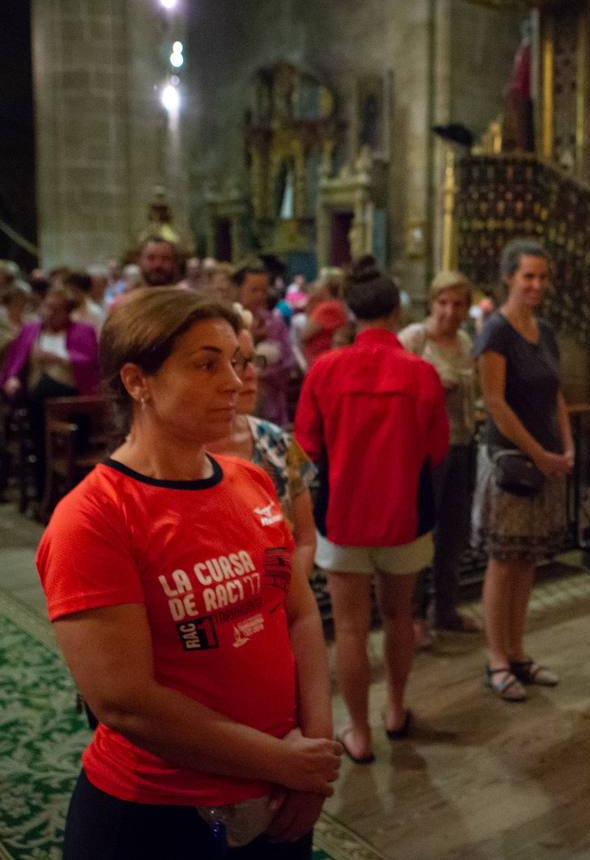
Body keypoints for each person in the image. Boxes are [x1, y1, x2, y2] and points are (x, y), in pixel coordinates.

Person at [35, 288, 339, 859]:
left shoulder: (248, 481)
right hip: (157, 814)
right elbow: (126, 703)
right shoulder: (94, 517)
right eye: (206, 364)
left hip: (279, 792)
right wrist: (282, 761)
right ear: (137, 382)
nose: (233, 381)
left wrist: (313, 754)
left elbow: (297, 615)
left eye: (235, 361)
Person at [295, 258, 449, 763]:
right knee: (400, 615)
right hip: (405, 514)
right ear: (397, 309)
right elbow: (437, 449)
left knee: (352, 629)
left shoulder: (325, 370)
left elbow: (308, 444)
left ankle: (358, 733)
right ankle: (397, 710)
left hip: (342, 515)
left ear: (352, 314)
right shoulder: (421, 373)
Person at [473, 240, 573, 701]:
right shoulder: (496, 332)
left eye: (542, 277)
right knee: (504, 560)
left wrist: (567, 447)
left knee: (527, 558)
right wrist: (538, 453)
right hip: (512, 460)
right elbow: (496, 403)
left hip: (546, 456)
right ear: (509, 277)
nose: (536, 285)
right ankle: (496, 657)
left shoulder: (544, 330)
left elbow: (555, 394)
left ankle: (517, 650)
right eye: (527, 276)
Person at [400, 270, 482, 641]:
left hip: (462, 441)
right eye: (443, 303)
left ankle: (445, 607)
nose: (450, 311)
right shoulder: (415, 340)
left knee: (454, 530)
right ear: (431, 303)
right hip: (425, 449)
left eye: (458, 304)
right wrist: (429, 387)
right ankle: (413, 614)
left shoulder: (465, 341)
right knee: (422, 531)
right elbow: (393, 390)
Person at [207, 307, 317, 581]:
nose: (250, 374)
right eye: (235, 364)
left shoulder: (277, 442)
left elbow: (304, 539)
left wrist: (287, 599)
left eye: (251, 360)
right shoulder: (177, 456)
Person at [2, 285, 100, 488]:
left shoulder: (83, 330)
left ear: (67, 312)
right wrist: (12, 378)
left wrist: (60, 359)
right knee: (40, 438)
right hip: (37, 401)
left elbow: (91, 361)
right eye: (46, 307)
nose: (49, 313)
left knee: (76, 435)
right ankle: (42, 488)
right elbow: (16, 361)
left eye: (56, 309)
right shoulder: (31, 330)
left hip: (73, 400)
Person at [235, 263, 294, 427]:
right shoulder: (228, 324)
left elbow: (287, 363)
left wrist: (262, 373)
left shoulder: (275, 322)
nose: (260, 296)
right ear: (239, 290)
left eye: (264, 290)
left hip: (271, 409)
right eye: (254, 290)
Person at [297, 270, 349, 368]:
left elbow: (304, 335)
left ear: (326, 286)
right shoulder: (337, 305)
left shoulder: (327, 308)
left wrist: (310, 302)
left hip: (321, 362)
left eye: (319, 281)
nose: (315, 285)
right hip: (328, 360)